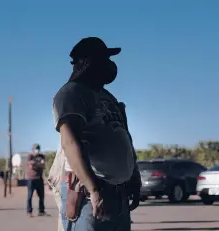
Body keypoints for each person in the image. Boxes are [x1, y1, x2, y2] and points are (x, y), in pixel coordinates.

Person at [52, 37, 142, 231]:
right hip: (89, 196)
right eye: (104, 59)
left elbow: (125, 137)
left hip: (118, 194)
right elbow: (70, 142)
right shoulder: (71, 94)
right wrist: (93, 190)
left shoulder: (108, 97)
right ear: (87, 63)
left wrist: (134, 178)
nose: (110, 65)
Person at [26, 144, 48, 217]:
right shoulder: (30, 156)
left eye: (38, 148)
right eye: (35, 148)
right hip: (31, 179)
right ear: (32, 149)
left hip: (39, 179)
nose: (37, 150)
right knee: (30, 196)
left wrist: (36, 164)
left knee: (41, 196)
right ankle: (29, 212)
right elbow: (31, 165)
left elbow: (43, 165)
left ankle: (41, 211)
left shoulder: (42, 156)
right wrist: (38, 164)